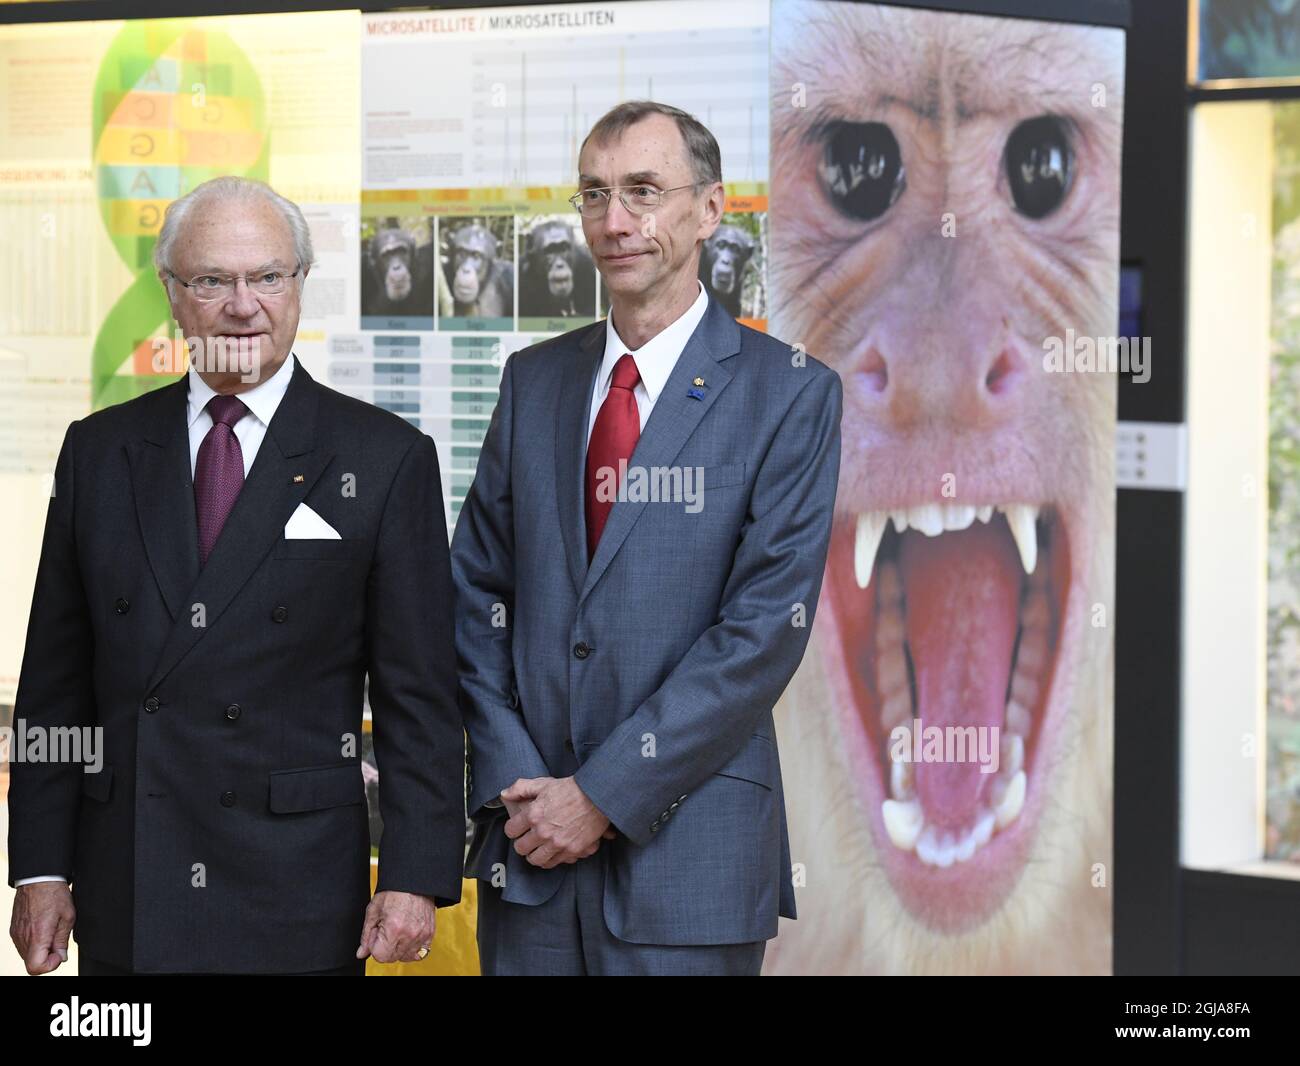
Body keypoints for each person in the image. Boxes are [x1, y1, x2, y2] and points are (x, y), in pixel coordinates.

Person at [7, 176, 464, 975]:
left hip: (295, 886)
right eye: (213, 280)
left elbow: (417, 695)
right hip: (131, 878)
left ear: (298, 285)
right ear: (173, 295)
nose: (243, 305)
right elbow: (56, 683)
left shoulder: (383, 459)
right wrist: (41, 866)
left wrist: (415, 873)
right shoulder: (98, 452)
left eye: (268, 277)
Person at [452, 101, 842, 976]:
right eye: (594, 195)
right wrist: (521, 785)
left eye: (643, 191)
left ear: (710, 210)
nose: (615, 221)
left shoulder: (789, 395)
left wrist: (599, 796)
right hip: (530, 855)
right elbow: (475, 594)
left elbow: (757, 637)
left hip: (688, 867)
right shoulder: (533, 381)